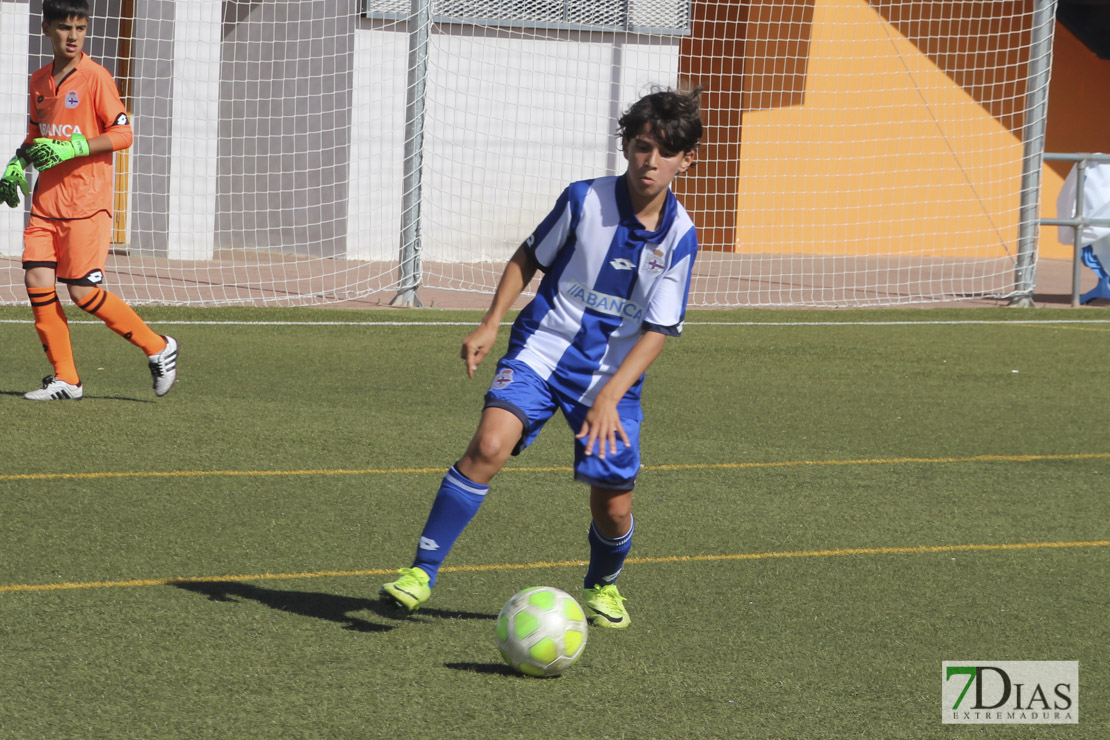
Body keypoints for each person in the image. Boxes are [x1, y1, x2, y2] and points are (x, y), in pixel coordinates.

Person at [380, 88, 703, 629]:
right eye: (643, 146)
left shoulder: (680, 237)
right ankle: (420, 573)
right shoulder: (584, 200)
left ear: (686, 160)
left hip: (610, 379)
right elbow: (528, 257)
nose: (651, 162)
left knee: (613, 506)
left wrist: (610, 394)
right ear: (626, 145)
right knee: (487, 445)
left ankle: (602, 584)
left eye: (666, 152)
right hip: (542, 350)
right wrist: (490, 322)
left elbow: (657, 330)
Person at [0, 0, 177, 401]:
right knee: (37, 282)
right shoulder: (39, 80)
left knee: (82, 293)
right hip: (46, 205)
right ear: (46, 29)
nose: (74, 36)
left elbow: (123, 135)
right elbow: (37, 137)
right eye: (65, 27)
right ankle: (68, 379)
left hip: (86, 203)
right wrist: (16, 163)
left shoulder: (96, 78)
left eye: (80, 27)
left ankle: (158, 346)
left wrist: (75, 147)